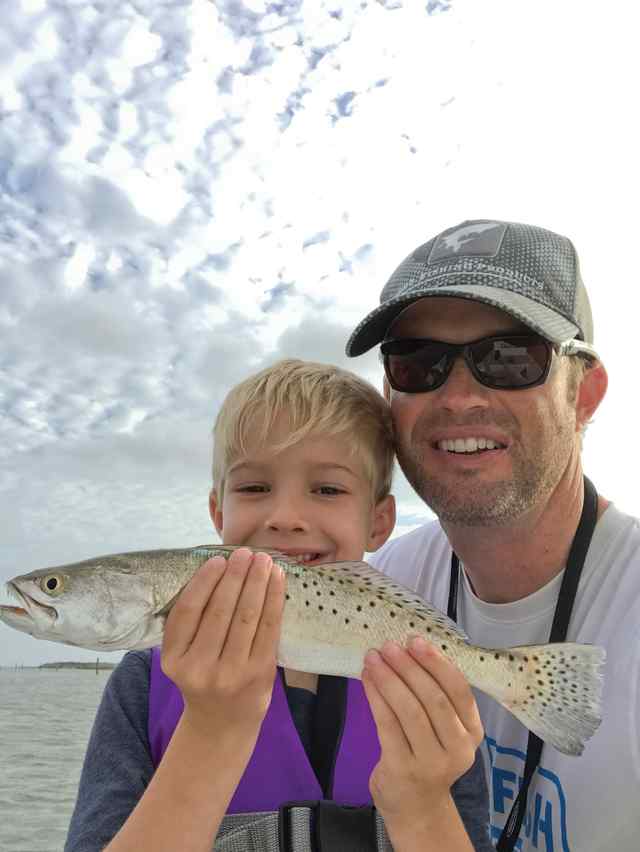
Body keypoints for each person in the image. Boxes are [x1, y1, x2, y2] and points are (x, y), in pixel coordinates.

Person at [65, 359, 493, 852]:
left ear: (379, 521)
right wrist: (211, 731)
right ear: (218, 512)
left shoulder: (431, 686)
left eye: (327, 489)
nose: (286, 517)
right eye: (254, 488)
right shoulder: (141, 687)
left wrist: (422, 806)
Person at [346, 218, 640, 852]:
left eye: (509, 358)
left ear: (583, 394)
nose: (457, 397)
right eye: (417, 362)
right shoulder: (384, 581)